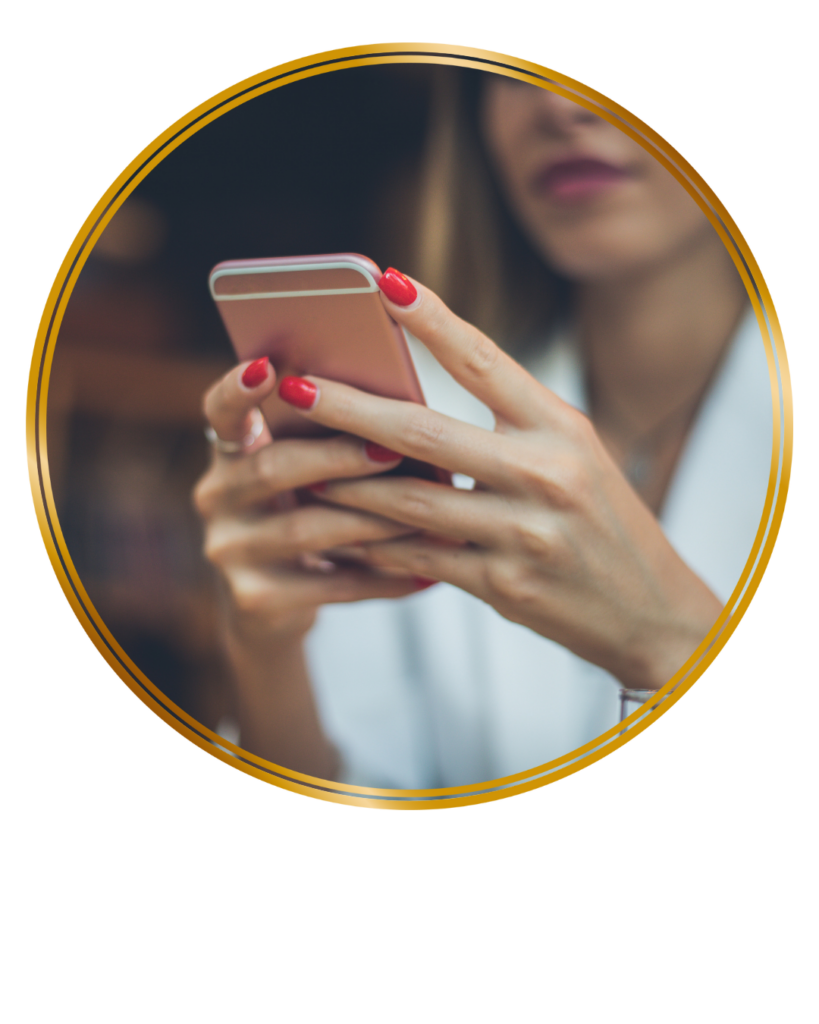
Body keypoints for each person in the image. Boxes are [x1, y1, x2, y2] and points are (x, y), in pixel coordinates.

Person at [193, 74, 771, 787]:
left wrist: (680, 649)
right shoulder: (403, 421)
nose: (559, 106)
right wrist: (265, 650)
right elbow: (360, 786)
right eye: (512, 68)